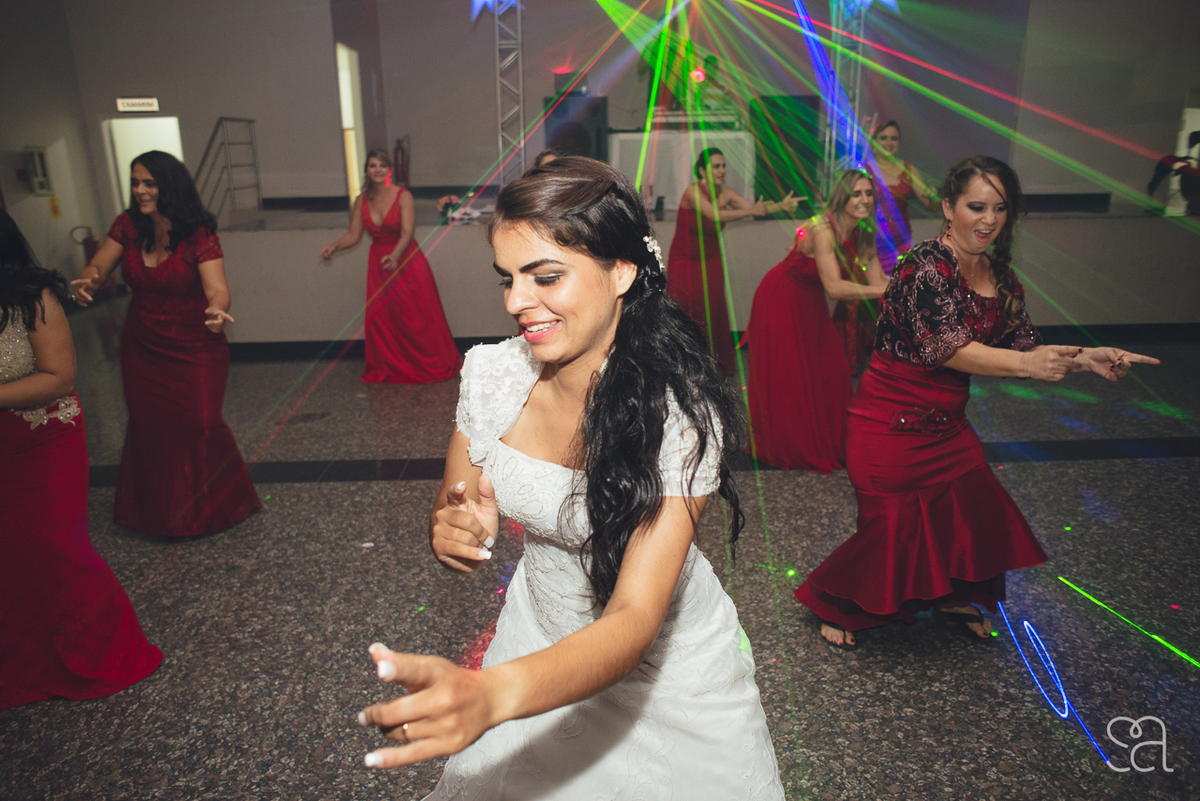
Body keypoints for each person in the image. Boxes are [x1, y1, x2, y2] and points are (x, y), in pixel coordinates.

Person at [358, 157, 784, 799]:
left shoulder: (678, 415)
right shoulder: (493, 376)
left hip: (665, 676)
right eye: (507, 279)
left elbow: (635, 618)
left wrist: (493, 692)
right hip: (535, 633)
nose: (515, 303)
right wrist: (452, 533)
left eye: (545, 276)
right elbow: (460, 507)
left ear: (621, 271)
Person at [793, 156, 1159, 647]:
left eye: (1000, 208)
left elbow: (1023, 347)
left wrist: (1084, 358)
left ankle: (948, 594)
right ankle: (837, 603)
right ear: (948, 207)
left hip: (946, 426)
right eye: (977, 206)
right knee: (892, 531)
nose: (988, 219)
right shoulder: (923, 266)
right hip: (889, 426)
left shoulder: (997, 273)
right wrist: (1030, 366)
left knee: (969, 512)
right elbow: (951, 349)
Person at [1, 209, 162, 708]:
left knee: (55, 547)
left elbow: (60, 377)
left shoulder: (32, 298)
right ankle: (27, 664)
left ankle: (104, 652)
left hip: (43, 438)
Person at [72, 150, 260, 538]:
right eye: (136, 182)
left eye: (149, 183)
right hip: (142, 345)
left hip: (195, 346)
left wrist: (216, 311)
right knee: (150, 425)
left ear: (168, 186)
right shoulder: (127, 226)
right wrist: (89, 278)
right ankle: (158, 512)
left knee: (201, 422)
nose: (140, 190)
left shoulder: (199, 235)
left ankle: (216, 505)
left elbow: (219, 290)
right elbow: (99, 265)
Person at [744, 169, 888, 471]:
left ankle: (835, 442)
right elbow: (835, 288)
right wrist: (881, 290)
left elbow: (879, 277)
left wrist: (902, 283)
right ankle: (789, 444)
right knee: (791, 377)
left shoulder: (864, 230)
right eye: (856, 194)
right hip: (781, 298)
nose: (864, 200)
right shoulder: (823, 229)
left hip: (810, 303)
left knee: (832, 371)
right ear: (843, 197)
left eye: (868, 193)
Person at [320, 149, 460, 383]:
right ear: (366, 170)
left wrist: (395, 255)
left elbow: (407, 232)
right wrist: (335, 246)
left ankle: (427, 364)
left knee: (415, 317)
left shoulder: (403, 196)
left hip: (405, 260)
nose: (377, 170)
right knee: (384, 318)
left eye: (382, 165)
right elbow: (354, 235)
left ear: (390, 170)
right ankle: (394, 366)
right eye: (373, 165)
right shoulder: (361, 200)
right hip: (379, 264)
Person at [668, 147, 797, 374]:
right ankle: (682, 365)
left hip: (711, 259)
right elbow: (714, 215)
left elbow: (755, 208)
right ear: (702, 170)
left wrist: (781, 206)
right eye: (716, 166)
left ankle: (711, 365)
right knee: (686, 307)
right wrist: (751, 211)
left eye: (724, 166)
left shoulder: (726, 193)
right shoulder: (692, 192)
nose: (722, 170)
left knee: (714, 307)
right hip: (685, 260)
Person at [870, 120, 938, 260]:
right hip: (869, 244)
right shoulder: (863, 170)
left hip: (901, 244)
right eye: (883, 138)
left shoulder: (909, 170)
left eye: (894, 138)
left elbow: (931, 206)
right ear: (873, 141)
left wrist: (933, 196)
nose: (889, 143)